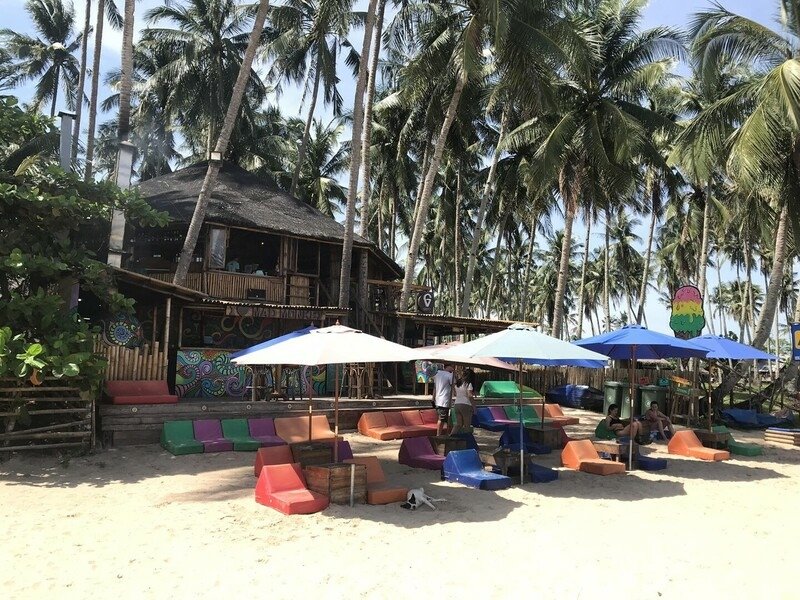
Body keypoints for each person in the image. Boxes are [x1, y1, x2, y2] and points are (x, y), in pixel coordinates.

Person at [432, 364, 454, 436]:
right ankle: (438, 435)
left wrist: (433, 398)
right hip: (445, 400)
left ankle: (445, 434)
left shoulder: (437, 374)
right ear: (449, 366)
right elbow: (454, 386)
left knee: (445, 419)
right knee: (441, 419)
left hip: (438, 400)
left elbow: (435, 387)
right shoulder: (450, 375)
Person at [451, 368, 475, 435]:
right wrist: (474, 407)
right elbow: (470, 396)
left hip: (457, 404)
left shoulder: (458, 384)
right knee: (467, 426)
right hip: (466, 404)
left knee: (458, 424)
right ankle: (467, 442)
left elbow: (455, 393)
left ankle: (451, 437)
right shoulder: (468, 384)